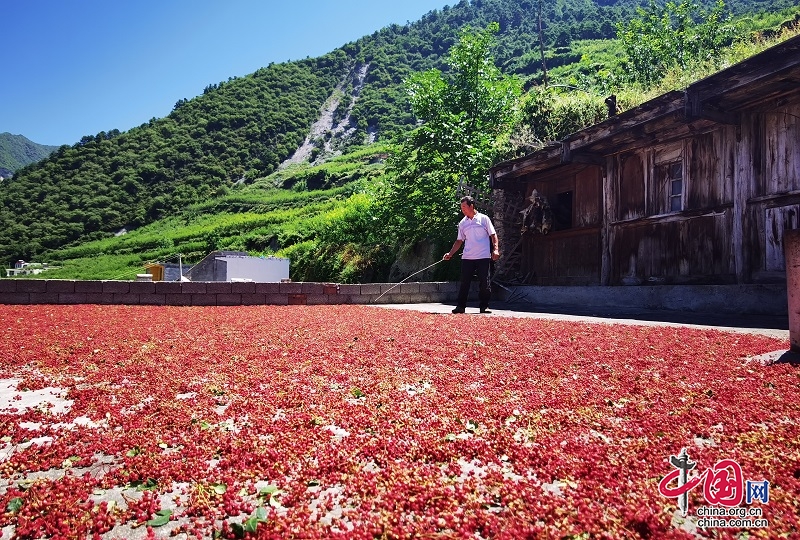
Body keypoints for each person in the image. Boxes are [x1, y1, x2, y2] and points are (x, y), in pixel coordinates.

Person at [443, 195, 500, 314]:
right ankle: (460, 306)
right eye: (461, 207)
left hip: (483, 256)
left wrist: (495, 249)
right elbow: (459, 241)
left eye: (464, 207)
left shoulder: (484, 219)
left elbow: (493, 235)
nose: (462, 209)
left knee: (485, 283)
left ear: (471, 206)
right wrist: (450, 253)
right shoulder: (462, 223)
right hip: (467, 257)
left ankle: (484, 306)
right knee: (464, 282)